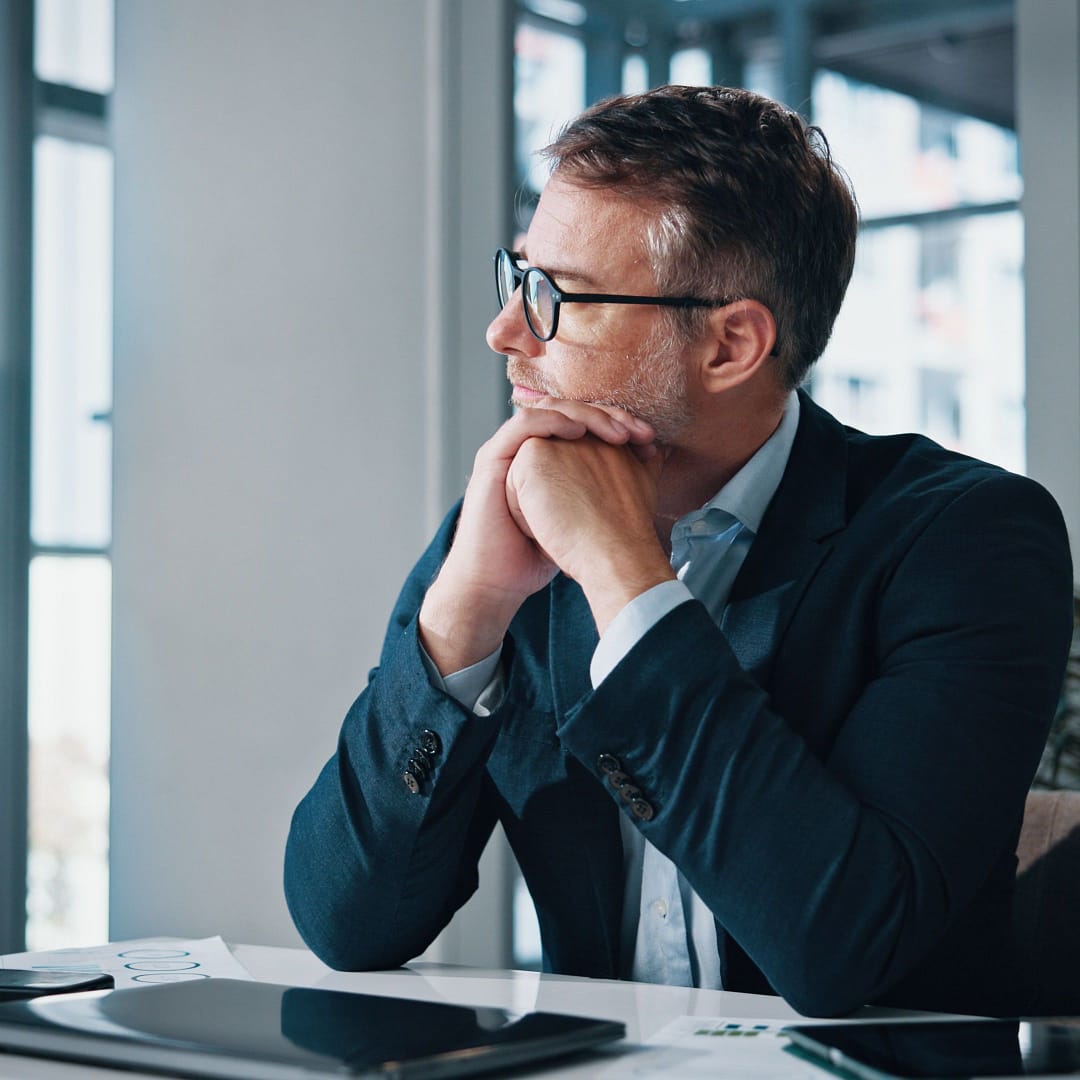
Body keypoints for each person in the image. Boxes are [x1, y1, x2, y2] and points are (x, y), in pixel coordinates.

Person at [284, 85, 1073, 1017]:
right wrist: (466, 608)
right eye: (516, 277)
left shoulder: (968, 538)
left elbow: (842, 945)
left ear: (731, 344)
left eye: (556, 298)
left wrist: (627, 581)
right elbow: (345, 920)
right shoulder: (507, 527)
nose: (505, 333)